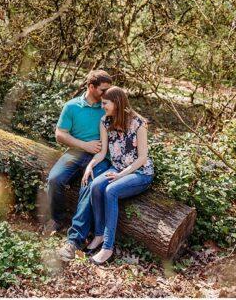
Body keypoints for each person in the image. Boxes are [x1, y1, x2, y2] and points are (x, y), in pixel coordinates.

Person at [59, 86, 154, 263]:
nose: (102, 106)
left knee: (111, 191)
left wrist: (121, 175)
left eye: (105, 103)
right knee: (95, 185)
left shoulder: (139, 123)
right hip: (117, 168)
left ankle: (107, 248)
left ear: (116, 103)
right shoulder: (105, 121)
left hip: (139, 172)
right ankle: (99, 234)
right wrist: (90, 166)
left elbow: (142, 158)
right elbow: (102, 153)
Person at [43, 70, 113, 235]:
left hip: (100, 156)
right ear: (91, 87)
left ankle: (79, 232)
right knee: (54, 179)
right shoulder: (72, 106)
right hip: (75, 152)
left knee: (88, 185)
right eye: (103, 90)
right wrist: (84, 145)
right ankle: (57, 219)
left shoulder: (108, 106)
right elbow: (60, 135)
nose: (107, 93)